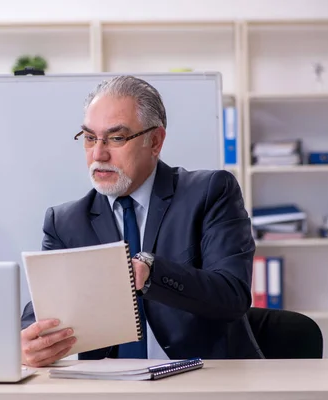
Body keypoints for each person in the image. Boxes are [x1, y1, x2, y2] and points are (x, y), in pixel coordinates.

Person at [20, 75, 262, 367]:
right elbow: (39, 318)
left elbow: (232, 295)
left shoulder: (210, 192)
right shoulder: (66, 222)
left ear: (155, 141)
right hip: (108, 385)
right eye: (89, 138)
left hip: (201, 378)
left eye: (117, 138)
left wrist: (151, 271)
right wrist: (28, 345)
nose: (99, 154)